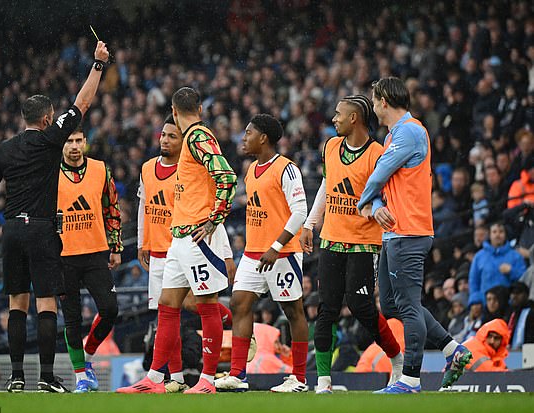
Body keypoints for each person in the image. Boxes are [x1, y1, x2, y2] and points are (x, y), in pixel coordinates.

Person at [0, 40, 110, 393]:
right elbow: (81, 104)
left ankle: (17, 376)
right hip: (40, 229)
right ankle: (47, 378)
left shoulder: (3, 149)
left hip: (12, 233)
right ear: (49, 118)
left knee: (16, 304)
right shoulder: (52, 140)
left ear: (24, 120)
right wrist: (97, 65)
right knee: (46, 303)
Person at [117, 87, 237, 394]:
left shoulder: (197, 137)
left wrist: (215, 218)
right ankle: (155, 378)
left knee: (207, 305)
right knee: (167, 305)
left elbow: (226, 176)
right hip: (179, 236)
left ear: (173, 109)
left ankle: (207, 380)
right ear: (199, 107)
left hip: (197, 235)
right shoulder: (193, 139)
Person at [357, 76, 471, 393]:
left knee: (407, 305)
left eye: (374, 99)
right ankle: (453, 350)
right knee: (393, 306)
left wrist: (364, 202)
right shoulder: (395, 134)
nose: (373, 105)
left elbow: (378, 174)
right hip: (395, 232)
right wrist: (375, 203)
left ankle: (410, 379)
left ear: (384, 101)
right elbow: (384, 183)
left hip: (410, 231)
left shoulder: (410, 131)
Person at [299, 96, 403, 394]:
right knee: (326, 308)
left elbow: (382, 196)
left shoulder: (377, 154)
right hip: (331, 239)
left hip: (362, 243)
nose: (334, 119)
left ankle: (396, 359)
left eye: (338, 114)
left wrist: (374, 210)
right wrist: (309, 223)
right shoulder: (331, 146)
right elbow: (326, 186)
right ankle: (323, 382)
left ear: (355, 118)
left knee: (362, 307)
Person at [214, 114, 308, 393]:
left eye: (248, 132)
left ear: (263, 137)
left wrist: (276, 247)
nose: (244, 137)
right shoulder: (251, 169)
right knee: (239, 303)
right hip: (254, 253)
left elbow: (300, 211)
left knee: (293, 311)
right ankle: (237, 374)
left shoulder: (286, 169)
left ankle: (299, 379)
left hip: (282, 253)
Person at [58, 128, 122, 393]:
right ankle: (81, 376)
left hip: (96, 251)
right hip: (63, 255)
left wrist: (116, 246)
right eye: (69, 141)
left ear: (85, 143)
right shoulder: (50, 172)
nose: (74, 146)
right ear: (61, 145)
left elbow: (112, 207)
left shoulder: (99, 169)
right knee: (72, 320)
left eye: (78, 141)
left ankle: (88, 353)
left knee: (110, 310)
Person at [468, 222, 526, 306]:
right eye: (494, 232)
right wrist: (476, 301)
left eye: (501, 231)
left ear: (505, 234)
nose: (497, 235)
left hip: (509, 306)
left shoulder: (515, 256)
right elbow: (473, 281)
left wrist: (511, 271)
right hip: (486, 306)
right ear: (490, 235)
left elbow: (524, 278)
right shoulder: (479, 256)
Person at [507, 282, 534, 349]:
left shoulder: (531, 313)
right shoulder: (511, 313)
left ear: (526, 295)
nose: (514, 296)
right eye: (512, 293)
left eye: (518, 293)